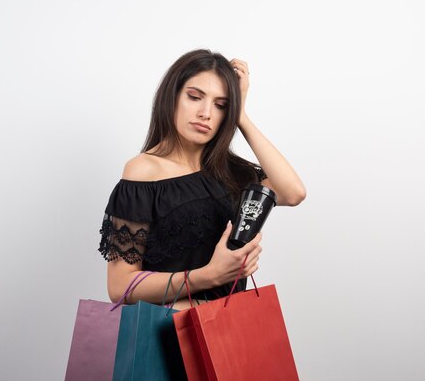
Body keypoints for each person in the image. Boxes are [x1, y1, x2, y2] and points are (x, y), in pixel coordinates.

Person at [98, 49, 306, 309]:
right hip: (170, 334)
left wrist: (240, 115)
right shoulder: (143, 172)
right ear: (171, 97)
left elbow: (292, 192)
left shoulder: (232, 173)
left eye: (221, 105)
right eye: (195, 97)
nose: (206, 113)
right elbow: (120, 287)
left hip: (228, 333)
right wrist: (208, 276)